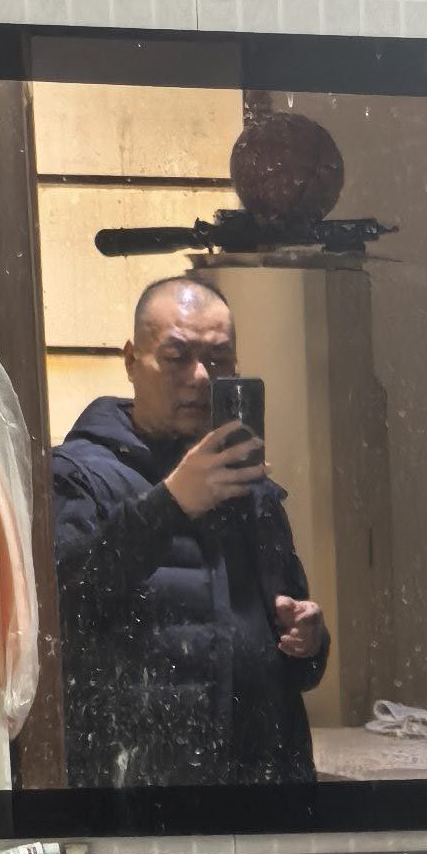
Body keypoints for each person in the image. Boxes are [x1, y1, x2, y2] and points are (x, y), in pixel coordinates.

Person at [49, 276, 328, 788]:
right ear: (131, 360)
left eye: (219, 360)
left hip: (269, 789)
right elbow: (64, 608)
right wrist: (170, 504)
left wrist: (310, 639)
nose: (200, 376)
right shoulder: (77, 476)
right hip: (144, 797)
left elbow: (294, 662)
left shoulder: (249, 485)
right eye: (177, 357)